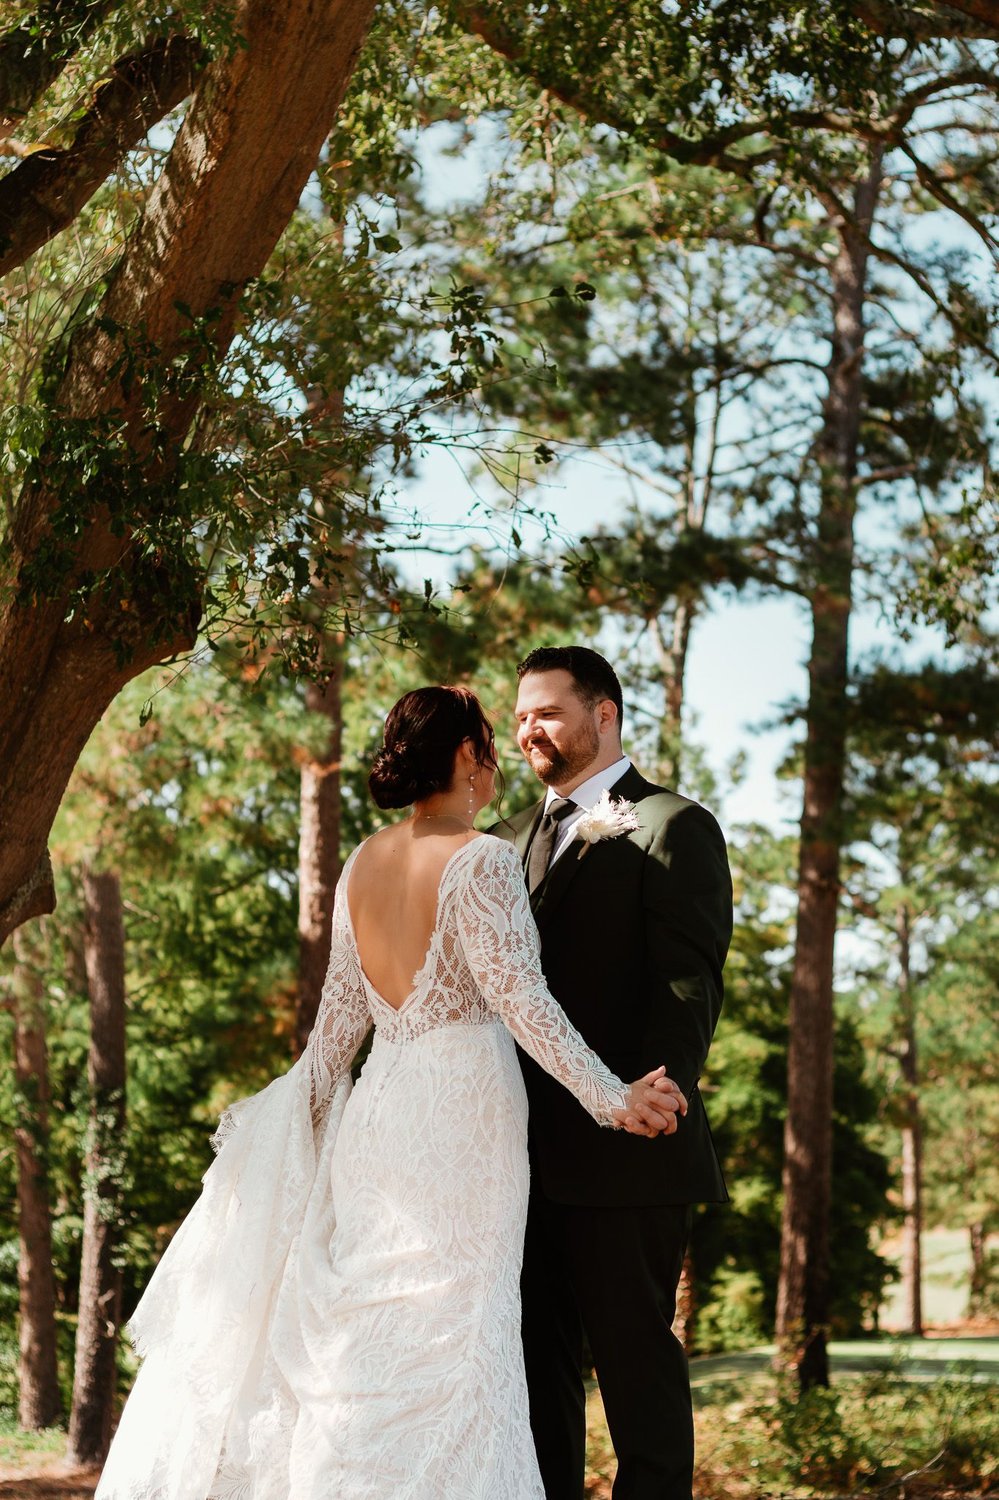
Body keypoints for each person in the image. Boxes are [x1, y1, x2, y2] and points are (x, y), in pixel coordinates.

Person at [96, 684, 687, 1500]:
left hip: (379, 1122)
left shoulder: (362, 863)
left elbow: (336, 1030)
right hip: (466, 1129)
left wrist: (288, 1129)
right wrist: (612, 1098)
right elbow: (523, 1002)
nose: (497, 760)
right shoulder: (481, 858)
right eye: (489, 742)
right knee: (455, 1334)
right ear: (464, 755)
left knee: (370, 1329)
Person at [493, 646, 733, 1500]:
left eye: (547, 712)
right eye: (520, 716)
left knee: (639, 1382)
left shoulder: (671, 825)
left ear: (603, 715)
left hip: (629, 1150)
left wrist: (657, 1097)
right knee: (531, 1384)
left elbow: (686, 982)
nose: (529, 729)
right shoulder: (500, 842)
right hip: (514, 1162)